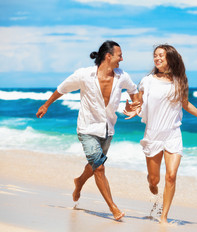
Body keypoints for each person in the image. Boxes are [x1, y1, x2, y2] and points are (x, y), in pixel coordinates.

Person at [36, 40, 139, 221]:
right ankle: (113, 208)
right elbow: (62, 88)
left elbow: (133, 90)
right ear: (108, 56)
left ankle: (79, 182)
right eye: (119, 55)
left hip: (108, 128)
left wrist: (135, 105)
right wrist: (46, 105)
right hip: (87, 128)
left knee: (94, 166)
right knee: (99, 168)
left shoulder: (122, 76)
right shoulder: (84, 75)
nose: (122, 59)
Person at [124, 44, 197, 224]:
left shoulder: (180, 80)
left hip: (173, 133)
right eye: (155, 55)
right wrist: (133, 110)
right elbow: (139, 102)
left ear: (170, 58)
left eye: (161, 55)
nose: (157, 58)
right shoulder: (148, 80)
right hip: (153, 134)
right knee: (155, 180)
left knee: (171, 176)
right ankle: (151, 183)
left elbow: (185, 103)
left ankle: (164, 217)